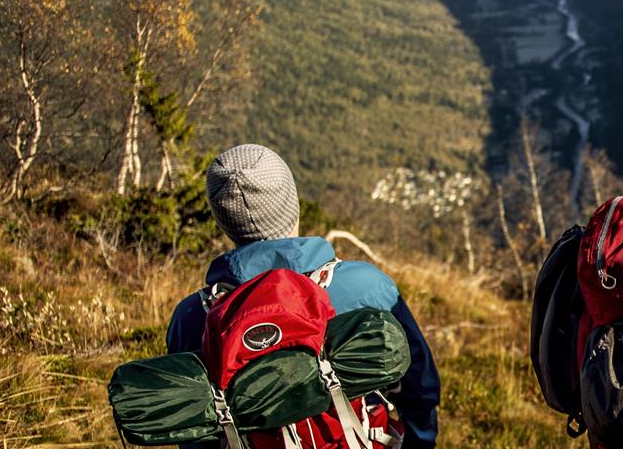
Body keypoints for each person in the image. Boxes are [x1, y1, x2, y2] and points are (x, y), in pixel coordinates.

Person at [164, 144, 441, 449]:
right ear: (291, 204)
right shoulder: (366, 287)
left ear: (222, 219)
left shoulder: (192, 317)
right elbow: (419, 388)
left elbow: (195, 426)